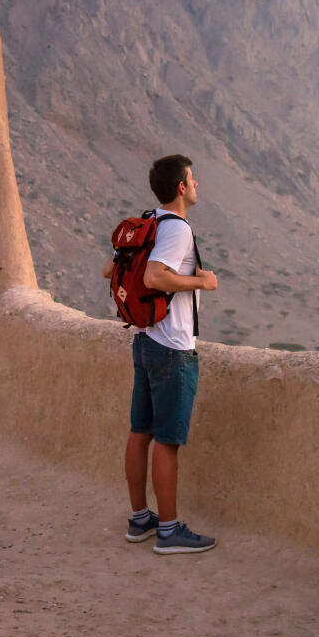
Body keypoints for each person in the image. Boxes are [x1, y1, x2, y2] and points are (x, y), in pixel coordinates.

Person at [102, 154, 219, 554]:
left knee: (140, 433)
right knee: (167, 441)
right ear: (181, 187)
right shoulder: (177, 230)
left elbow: (110, 269)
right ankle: (168, 531)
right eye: (193, 178)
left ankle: (140, 520)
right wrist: (200, 282)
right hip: (172, 348)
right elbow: (153, 276)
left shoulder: (148, 222)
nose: (198, 183)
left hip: (146, 340)